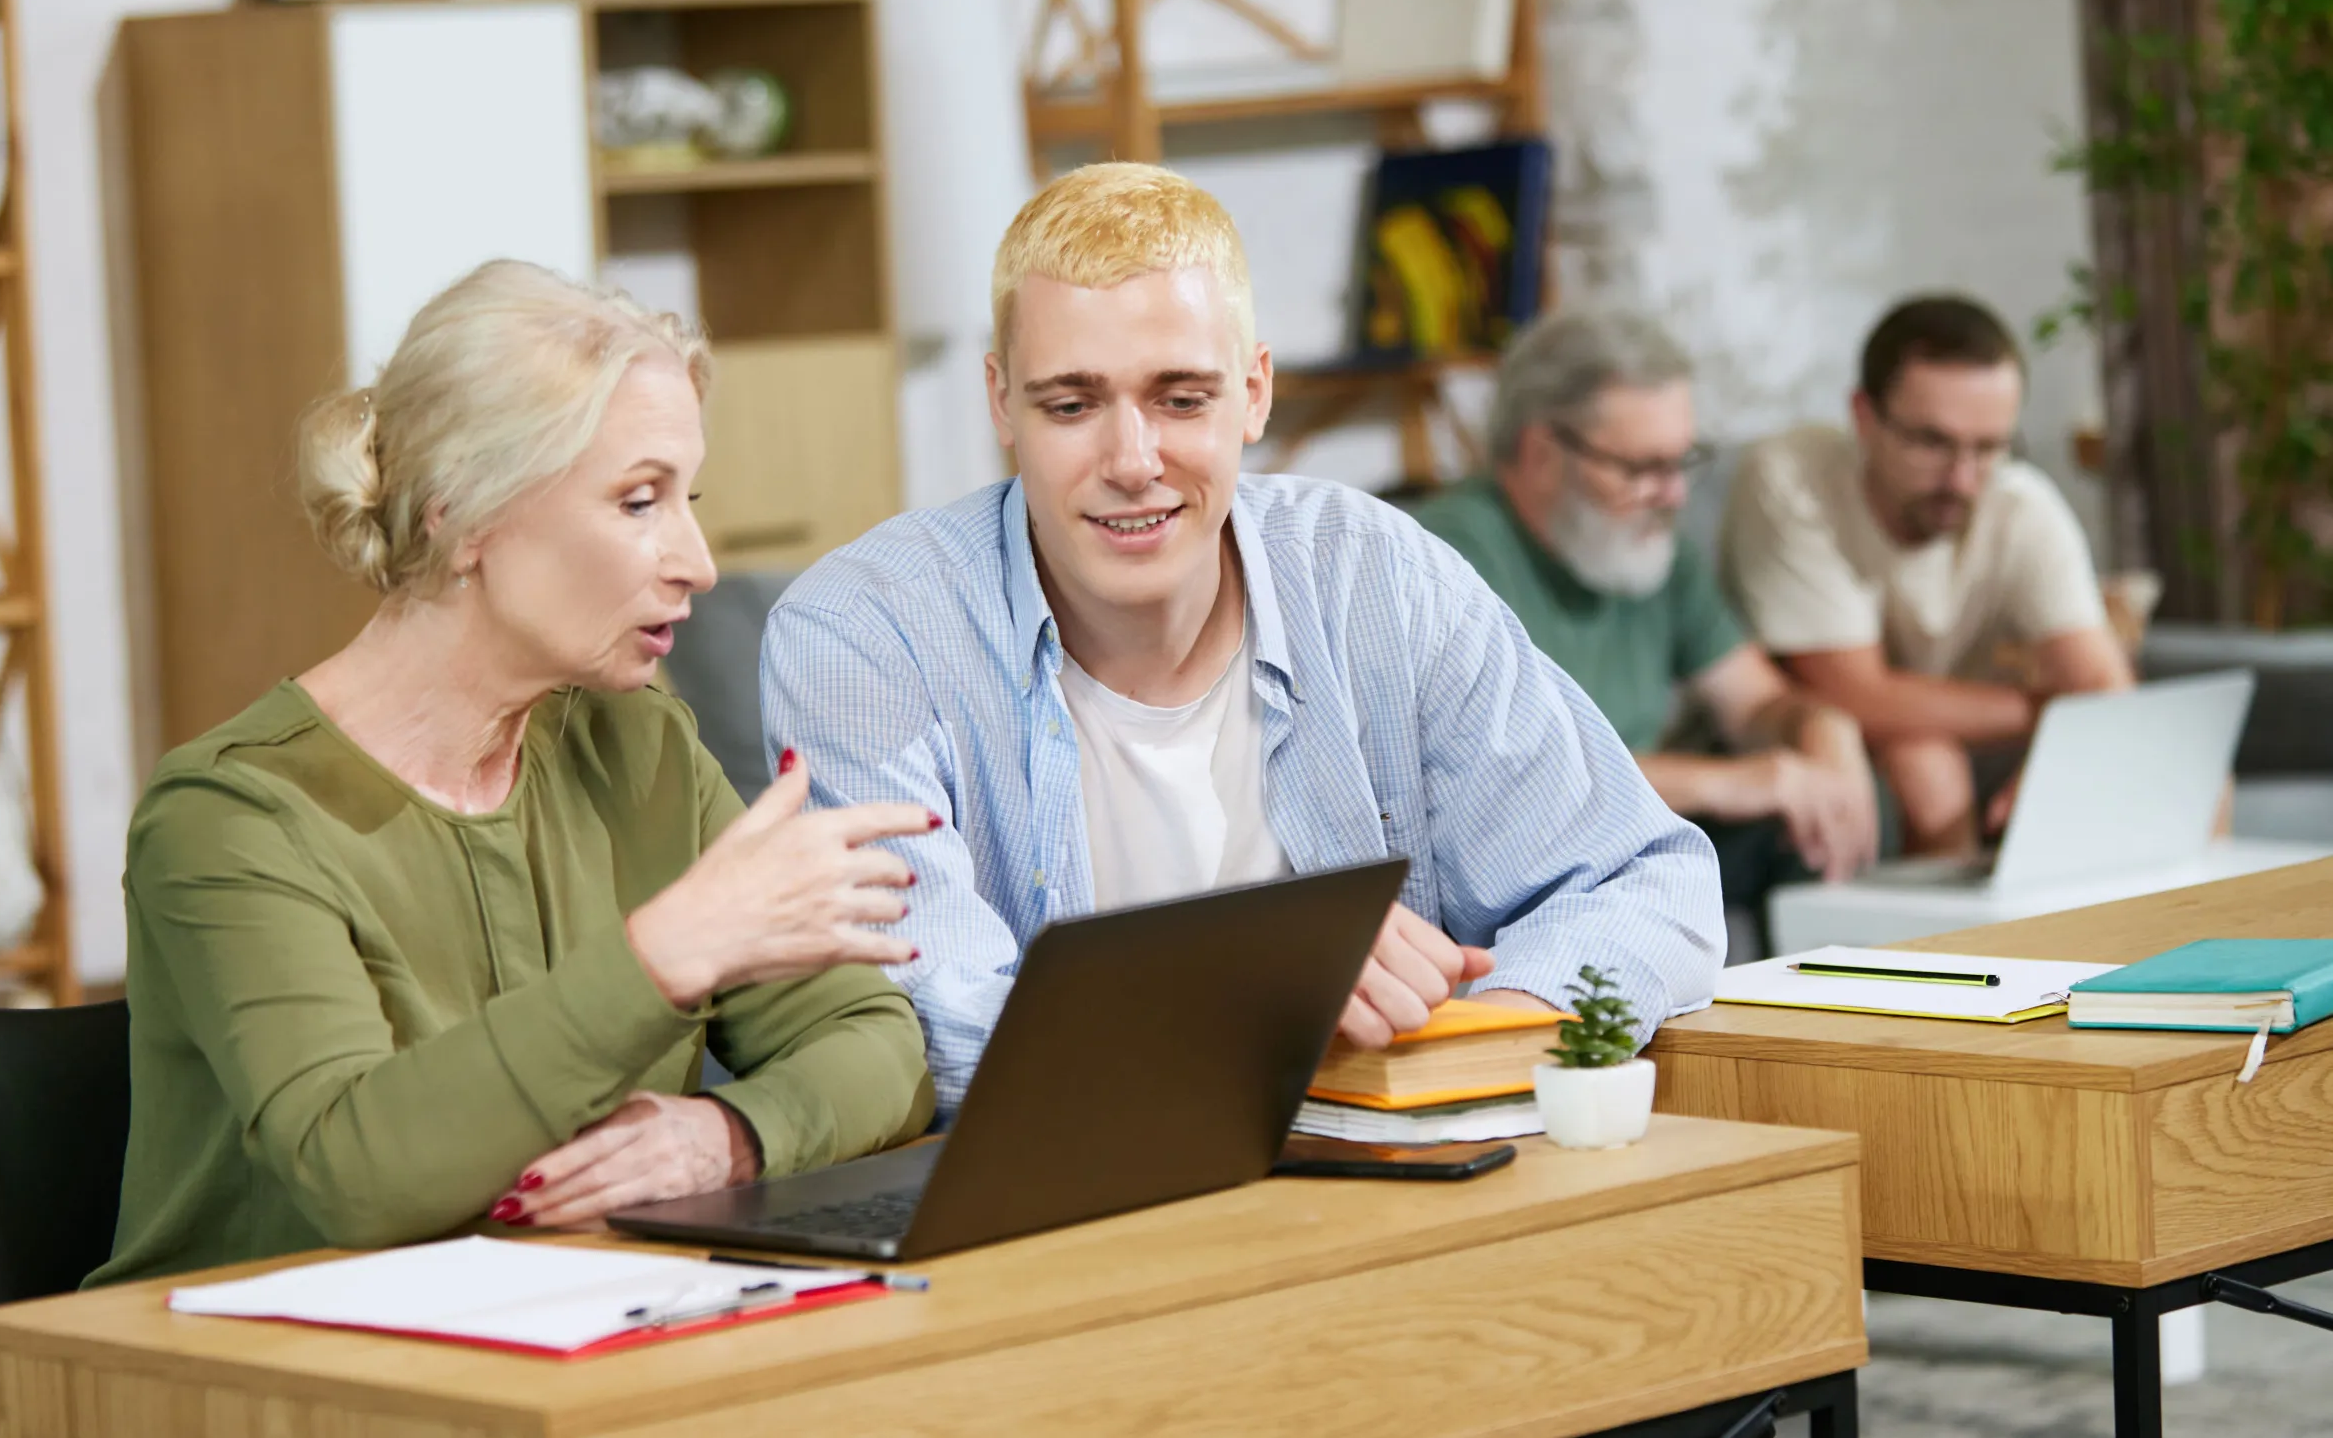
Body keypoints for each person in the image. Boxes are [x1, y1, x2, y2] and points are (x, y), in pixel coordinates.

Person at [760, 164, 1723, 1111]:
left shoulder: (1374, 574)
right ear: (1000, 400)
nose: (1133, 463)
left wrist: (1468, 1045)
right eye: (1070, 405)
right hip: (1060, 1219)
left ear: (1255, 392)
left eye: (1182, 400)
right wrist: (1269, 987)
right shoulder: (863, 636)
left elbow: (1650, 881)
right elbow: (919, 1026)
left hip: (1391, 1179)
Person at [94, 261, 934, 1285]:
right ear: (462, 517)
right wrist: (662, 955)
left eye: (687, 497)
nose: (698, 561)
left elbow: (875, 1046)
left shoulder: (639, 744)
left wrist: (729, 1133)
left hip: (570, 1329)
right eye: (638, 501)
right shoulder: (231, 817)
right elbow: (358, 1174)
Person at [1407, 310, 1877, 930]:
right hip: (1522, 867)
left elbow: (1757, 702)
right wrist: (1731, 783)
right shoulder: (1445, 559)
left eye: (1683, 463)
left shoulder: (1649, 545)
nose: (1676, 495)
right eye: (1642, 469)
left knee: (1836, 812)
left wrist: (1823, 729)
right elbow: (1514, 783)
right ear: (1542, 452)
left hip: (1635, 842)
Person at [1719, 295, 2132, 856]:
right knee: (1926, 763)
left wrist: (2062, 749)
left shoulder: (2020, 503)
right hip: (1796, 736)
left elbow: (2104, 687)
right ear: (1864, 417)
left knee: (2195, 777)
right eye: (1932, 443)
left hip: (1967, 735)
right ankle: (1955, 945)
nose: (1962, 478)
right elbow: (1849, 692)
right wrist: (2052, 710)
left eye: (1988, 447)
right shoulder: (1792, 480)